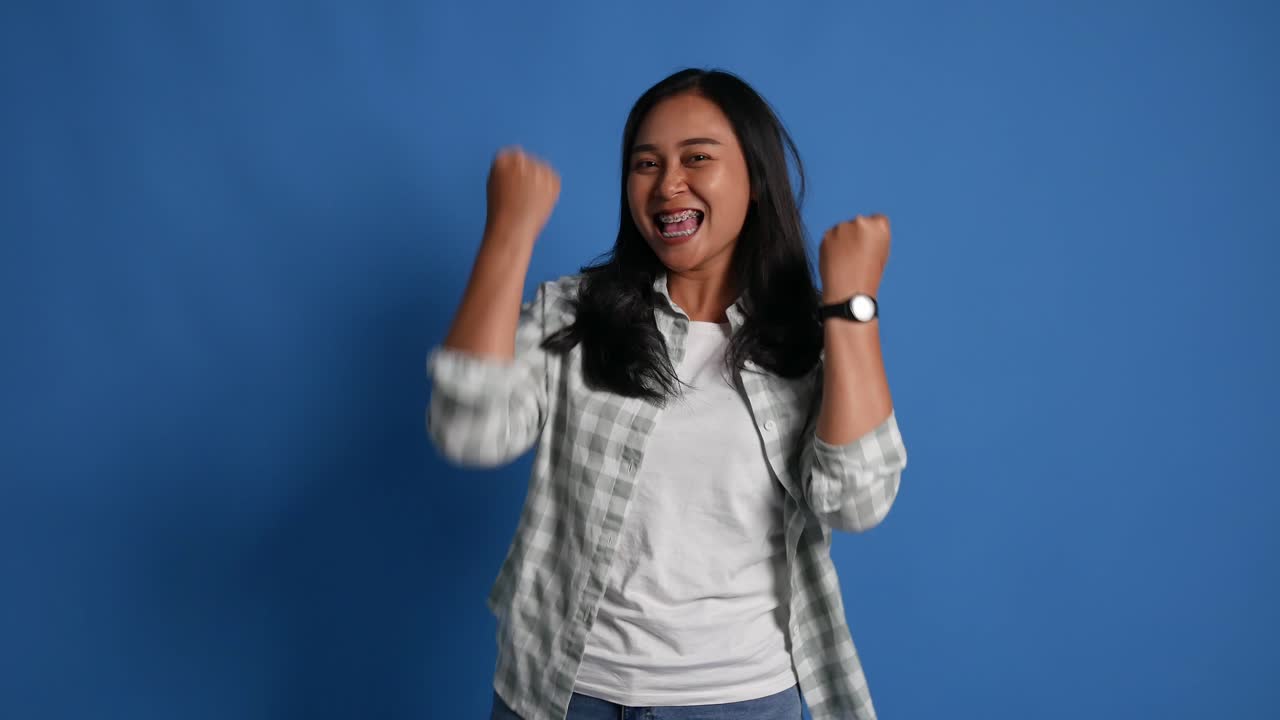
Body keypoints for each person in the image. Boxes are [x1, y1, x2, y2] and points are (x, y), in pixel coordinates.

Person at [427, 68, 908, 720]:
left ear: (757, 180)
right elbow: (470, 430)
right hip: (562, 694)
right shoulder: (575, 314)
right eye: (644, 164)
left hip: (740, 700)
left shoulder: (808, 340)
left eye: (698, 158)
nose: (667, 184)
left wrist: (852, 307)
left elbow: (856, 502)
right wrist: (508, 236)